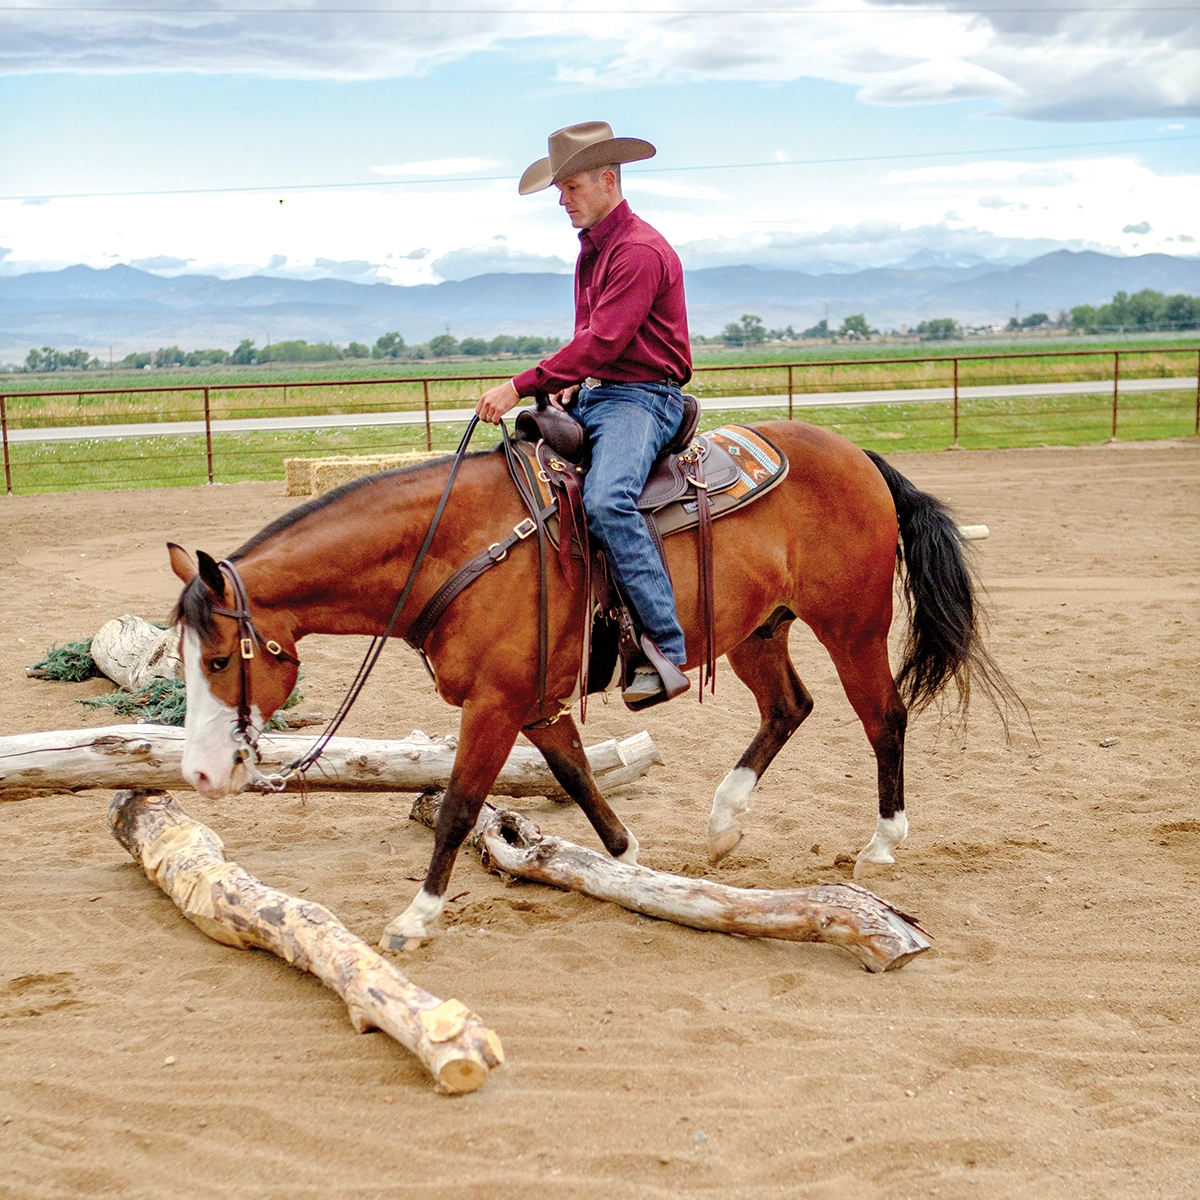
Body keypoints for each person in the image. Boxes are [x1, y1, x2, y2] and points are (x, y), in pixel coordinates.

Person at [476, 121, 692, 706]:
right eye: (559, 191)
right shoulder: (594, 250)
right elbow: (589, 337)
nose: (563, 201)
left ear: (608, 179)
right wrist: (570, 386)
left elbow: (604, 341)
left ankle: (665, 649)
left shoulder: (640, 251)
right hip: (601, 391)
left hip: (644, 397)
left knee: (605, 499)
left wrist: (522, 385)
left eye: (570, 188)